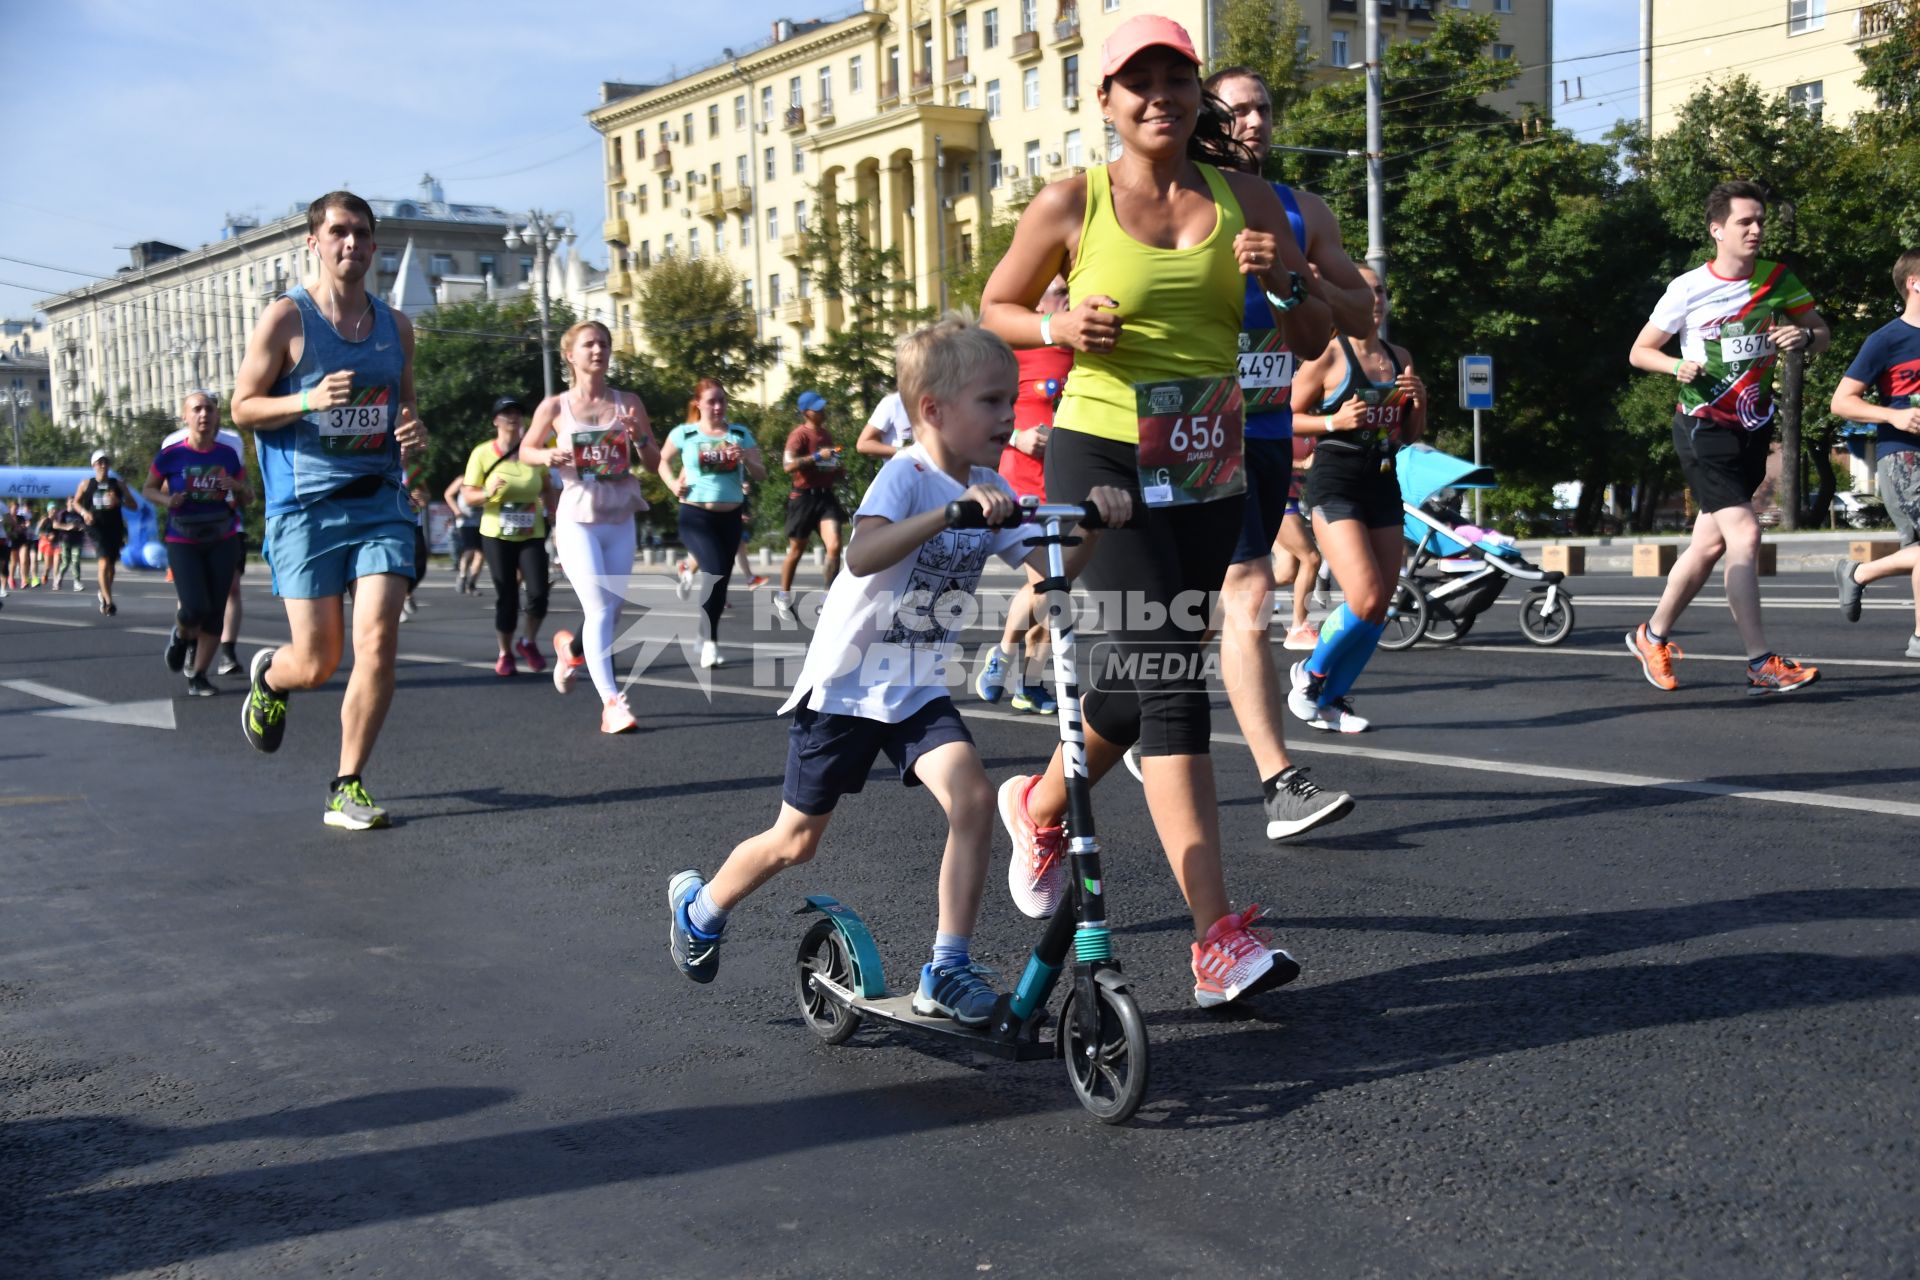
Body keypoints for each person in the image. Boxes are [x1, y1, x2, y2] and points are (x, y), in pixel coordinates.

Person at [980, 15, 1358, 1008]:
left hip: (1206, 455)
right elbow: (996, 306)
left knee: (1143, 677)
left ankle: (1042, 799)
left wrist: (1288, 282)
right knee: (1172, 679)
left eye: (1176, 78)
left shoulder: (1247, 202)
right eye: (1136, 81)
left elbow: (1323, 327)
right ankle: (1215, 938)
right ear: (1104, 100)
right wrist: (1056, 322)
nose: (1160, 95)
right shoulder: (1075, 200)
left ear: (1197, 99)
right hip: (1099, 453)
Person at [667, 314, 1131, 1025]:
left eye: (1012, 401)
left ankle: (947, 967)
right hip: (846, 686)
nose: (1010, 415)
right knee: (796, 840)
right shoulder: (908, 475)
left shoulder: (990, 485)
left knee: (973, 800)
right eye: (991, 401)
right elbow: (862, 554)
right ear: (932, 410)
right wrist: (952, 514)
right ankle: (700, 908)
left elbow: (1049, 574)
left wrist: (1092, 524)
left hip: (913, 688)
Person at [230, 190, 430, 831]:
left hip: (379, 500)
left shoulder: (396, 327)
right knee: (318, 661)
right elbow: (242, 407)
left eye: (364, 235)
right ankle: (274, 676)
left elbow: (404, 407)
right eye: (340, 232)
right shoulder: (287, 319)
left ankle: (347, 784)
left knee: (377, 640)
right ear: (314, 243)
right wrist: (307, 400)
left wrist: (412, 433)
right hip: (305, 507)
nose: (353, 245)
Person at [1207, 64, 1362, 832]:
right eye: (1236, 109)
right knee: (1247, 594)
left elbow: (1361, 309)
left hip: (1267, 428)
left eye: (1263, 107)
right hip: (1193, 429)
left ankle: (1116, 733)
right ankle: (1279, 782)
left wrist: (1296, 285)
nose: (1254, 120)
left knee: (1210, 612)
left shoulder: (1302, 212)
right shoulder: (1181, 206)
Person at [1626, 180, 1828, 696]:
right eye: (1745, 221)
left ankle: (1652, 635)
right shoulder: (1688, 287)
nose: (1757, 229)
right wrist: (1677, 365)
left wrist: (1802, 337)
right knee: (1745, 534)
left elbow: (1821, 332)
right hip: (1703, 426)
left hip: (1753, 427)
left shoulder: (1778, 279)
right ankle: (1760, 661)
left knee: (1709, 543)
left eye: (1760, 220)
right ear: (1718, 230)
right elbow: (1640, 351)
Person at [1287, 266, 1426, 734]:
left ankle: (1330, 699)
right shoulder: (1327, 356)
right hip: (1336, 480)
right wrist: (1333, 422)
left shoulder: (1398, 355)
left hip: (1383, 477)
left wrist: (1419, 401)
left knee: (1380, 604)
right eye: (1362, 291)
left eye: (1381, 290)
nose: (1375, 299)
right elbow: (1284, 419)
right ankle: (1310, 676)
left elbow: (1409, 434)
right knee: (1363, 595)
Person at [519, 320, 660, 730]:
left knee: (611, 611)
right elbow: (526, 449)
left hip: (619, 514)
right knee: (599, 606)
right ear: (571, 355)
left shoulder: (628, 401)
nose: (598, 350)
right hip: (577, 515)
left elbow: (653, 462)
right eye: (589, 344)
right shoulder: (554, 406)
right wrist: (547, 457)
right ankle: (611, 703)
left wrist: (639, 438)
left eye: (603, 343)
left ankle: (570, 650)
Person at [975, 274, 1072, 716]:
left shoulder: (1082, 345)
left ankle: (1027, 681)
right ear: (1036, 301)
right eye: (1059, 290)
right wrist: (1014, 436)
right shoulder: (1011, 345)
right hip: (1023, 479)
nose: (1068, 295)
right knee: (1047, 584)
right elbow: (973, 401)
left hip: (1068, 476)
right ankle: (1006, 656)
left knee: (1057, 589)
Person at [1831, 248, 1920, 658]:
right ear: (1913, 283)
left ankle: (1859, 572)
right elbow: (1842, 401)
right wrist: (1894, 416)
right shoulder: (1886, 339)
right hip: (1904, 455)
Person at [145, 390, 251, 697]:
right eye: (197, 409)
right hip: (183, 537)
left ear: (217, 415)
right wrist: (168, 499)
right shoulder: (171, 455)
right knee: (194, 606)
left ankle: (199, 675)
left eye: (209, 409)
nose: (203, 414)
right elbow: (148, 488)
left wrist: (236, 486)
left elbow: (249, 496)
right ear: (185, 416)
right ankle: (181, 637)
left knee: (216, 610)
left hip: (223, 536)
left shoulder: (228, 455)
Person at [659, 378, 766, 668]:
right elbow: (662, 461)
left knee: (721, 582)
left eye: (722, 400)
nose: (718, 406)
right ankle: (710, 644)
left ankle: (705, 634)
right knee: (714, 572)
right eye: (711, 401)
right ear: (698, 404)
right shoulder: (685, 433)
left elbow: (761, 474)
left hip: (730, 517)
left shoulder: (740, 433)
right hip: (696, 516)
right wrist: (672, 484)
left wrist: (744, 457)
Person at [460, 397, 551, 675]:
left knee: (538, 593)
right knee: (507, 596)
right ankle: (505, 653)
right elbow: (468, 495)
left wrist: (554, 511)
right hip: (496, 534)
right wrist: (488, 493)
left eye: (517, 413)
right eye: (506, 413)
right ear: (495, 420)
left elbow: (547, 487)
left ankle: (528, 641)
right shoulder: (482, 453)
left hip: (532, 532)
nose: (513, 417)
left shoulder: (535, 453)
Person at [772, 390, 846, 621]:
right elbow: (788, 466)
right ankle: (783, 595)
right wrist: (816, 457)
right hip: (803, 498)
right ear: (806, 412)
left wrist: (837, 469)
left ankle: (827, 599)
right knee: (797, 550)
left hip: (825, 497)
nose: (823, 411)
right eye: (818, 408)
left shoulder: (826, 434)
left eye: (823, 406)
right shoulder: (799, 435)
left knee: (834, 546)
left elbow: (828, 461)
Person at [1271, 435, 1322, 650]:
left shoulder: (1315, 420)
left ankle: (1230, 593)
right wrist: (1300, 463)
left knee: (1286, 572)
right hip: (1273, 496)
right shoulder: (1282, 419)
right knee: (1311, 558)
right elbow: (1259, 457)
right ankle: (1298, 628)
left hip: (1291, 498)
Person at [72, 450, 133, 615]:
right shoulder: (86, 484)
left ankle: (103, 592)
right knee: (104, 561)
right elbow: (75, 503)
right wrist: (85, 513)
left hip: (114, 527)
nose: (103, 466)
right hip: (95, 527)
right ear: (93, 465)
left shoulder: (118, 484)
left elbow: (134, 505)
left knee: (111, 567)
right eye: (100, 462)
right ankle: (108, 601)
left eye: (106, 462)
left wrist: (120, 499)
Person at [442, 470, 486, 592]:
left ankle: (472, 583)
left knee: (481, 554)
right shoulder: (463, 479)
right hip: (466, 521)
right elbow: (448, 494)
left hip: (483, 520)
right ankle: (462, 576)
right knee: (470, 549)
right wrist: (456, 510)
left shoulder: (488, 480)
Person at [854, 389, 914, 460]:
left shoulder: (928, 401)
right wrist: (904, 451)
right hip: (901, 468)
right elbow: (862, 445)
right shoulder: (893, 402)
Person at [45, 499, 86, 593]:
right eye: (70, 501)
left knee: (76, 561)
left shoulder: (79, 513)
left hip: (77, 540)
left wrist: (81, 527)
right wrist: (67, 527)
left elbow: (86, 524)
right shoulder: (62, 513)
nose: (72, 503)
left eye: (74, 502)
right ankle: (58, 578)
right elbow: (55, 525)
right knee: (66, 562)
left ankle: (77, 582)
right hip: (65, 540)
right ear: (67, 503)